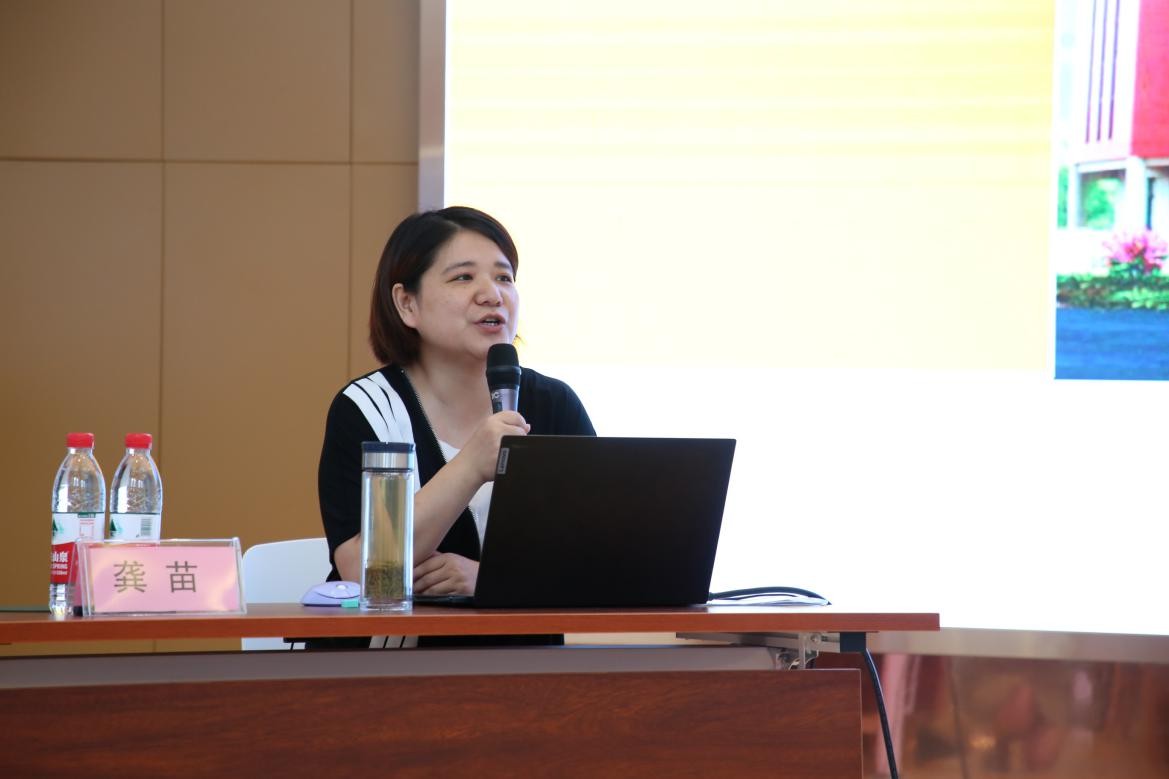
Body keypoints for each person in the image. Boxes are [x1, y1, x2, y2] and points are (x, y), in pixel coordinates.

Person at [315, 206, 595, 647]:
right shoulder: (369, 409)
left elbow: (596, 563)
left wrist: (490, 581)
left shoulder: (554, 405)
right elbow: (366, 571)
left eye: (504, 277)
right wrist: (470, 465)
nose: (492, 294)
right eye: (464, 277)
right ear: (407, 304)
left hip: (526, 667)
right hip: (386, 667)